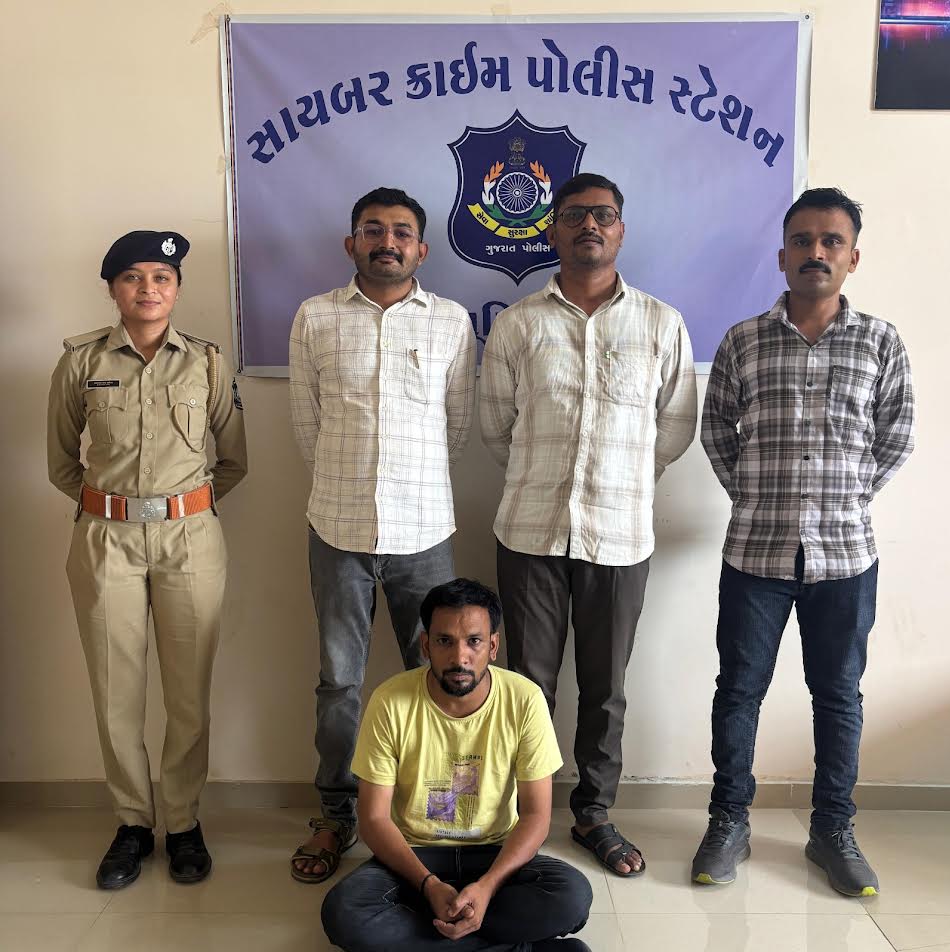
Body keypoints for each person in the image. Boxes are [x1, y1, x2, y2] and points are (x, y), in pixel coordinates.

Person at [694, 187, 915, 896]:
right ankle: (728, 821)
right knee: (739, 691)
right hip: (754, 553)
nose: (815, 252)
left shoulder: (880, 342)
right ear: (782, 254)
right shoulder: (742, 340)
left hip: (845, 556)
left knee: (838, 696)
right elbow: (715, 428)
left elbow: (897, 433)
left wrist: (847, 497)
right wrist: (752, 494)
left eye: (830, 241)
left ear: (852, 257)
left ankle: (832, 831)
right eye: (802, 240)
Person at [480, 172, 697, 877]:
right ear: (552, 230)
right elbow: (495, 425)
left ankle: (594, 812)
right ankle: (527, 812)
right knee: (526, 685)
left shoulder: (661, 323)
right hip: (530, 532)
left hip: (620, 534)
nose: (589, 226)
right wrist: (540, 471)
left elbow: (674, 426)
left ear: (620, 229)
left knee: (604, 687)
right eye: (574, 215)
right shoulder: (518, 324)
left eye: (603, 215)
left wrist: (626, 476)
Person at [47, 230, 248, 888]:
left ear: (178, 289)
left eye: (162, 277)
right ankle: (132, 823)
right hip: (106, 541)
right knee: (115, 691)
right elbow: (59, 462)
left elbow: (233, 459)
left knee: (188, 693)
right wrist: (114, 509)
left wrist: (180, 509)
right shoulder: (80, 361)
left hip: (190, 541)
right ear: (113, 288)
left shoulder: (208, 363)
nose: (148, 288)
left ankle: (184, 822)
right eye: (133, 277)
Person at [288, 187, 476, 882]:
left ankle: (431, 813)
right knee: (339, 681)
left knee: (441, 676)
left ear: (421, 249)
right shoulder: (314, 317)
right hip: (336, 528)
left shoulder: (451, 321)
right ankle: (336, 814)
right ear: (352, 243)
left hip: (423, 532)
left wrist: (409, 488)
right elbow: (306, 425)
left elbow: (456, 426)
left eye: (401, 232)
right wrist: (347, 486)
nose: (386, 242)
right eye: (372, 230)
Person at [321, 578, 593, 952]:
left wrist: (487, 887)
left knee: (572, 896)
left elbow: (536, 815)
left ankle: (435, 934)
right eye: (445, 641)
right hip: (414, 856)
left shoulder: (524, 699)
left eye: (474, 641)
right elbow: (374, 819)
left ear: (493, 646)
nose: (459, 656)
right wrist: (429, 885)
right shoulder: (390, 701)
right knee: (343, 913)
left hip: (495, 852)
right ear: (426, 645)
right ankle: (513, 946)